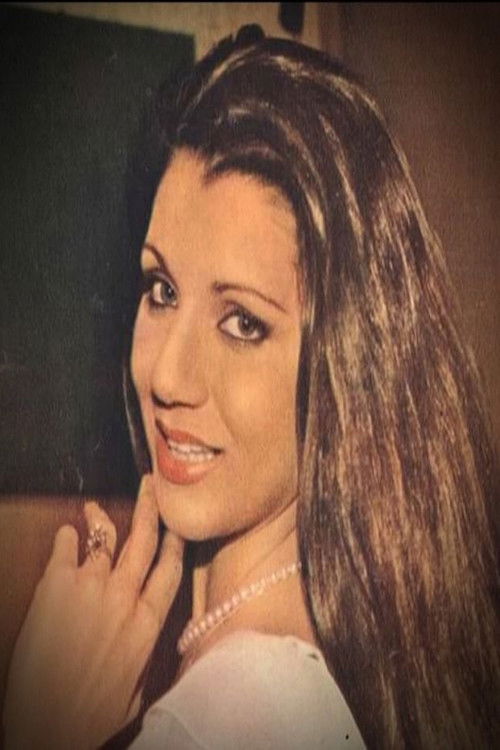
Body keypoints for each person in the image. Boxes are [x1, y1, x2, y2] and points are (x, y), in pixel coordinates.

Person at [3, 25, 499, 749]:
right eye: (162, 289)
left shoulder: (224, 720)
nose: (167, 377)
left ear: (343, 364)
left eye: (242, 322)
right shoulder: (296, 671)